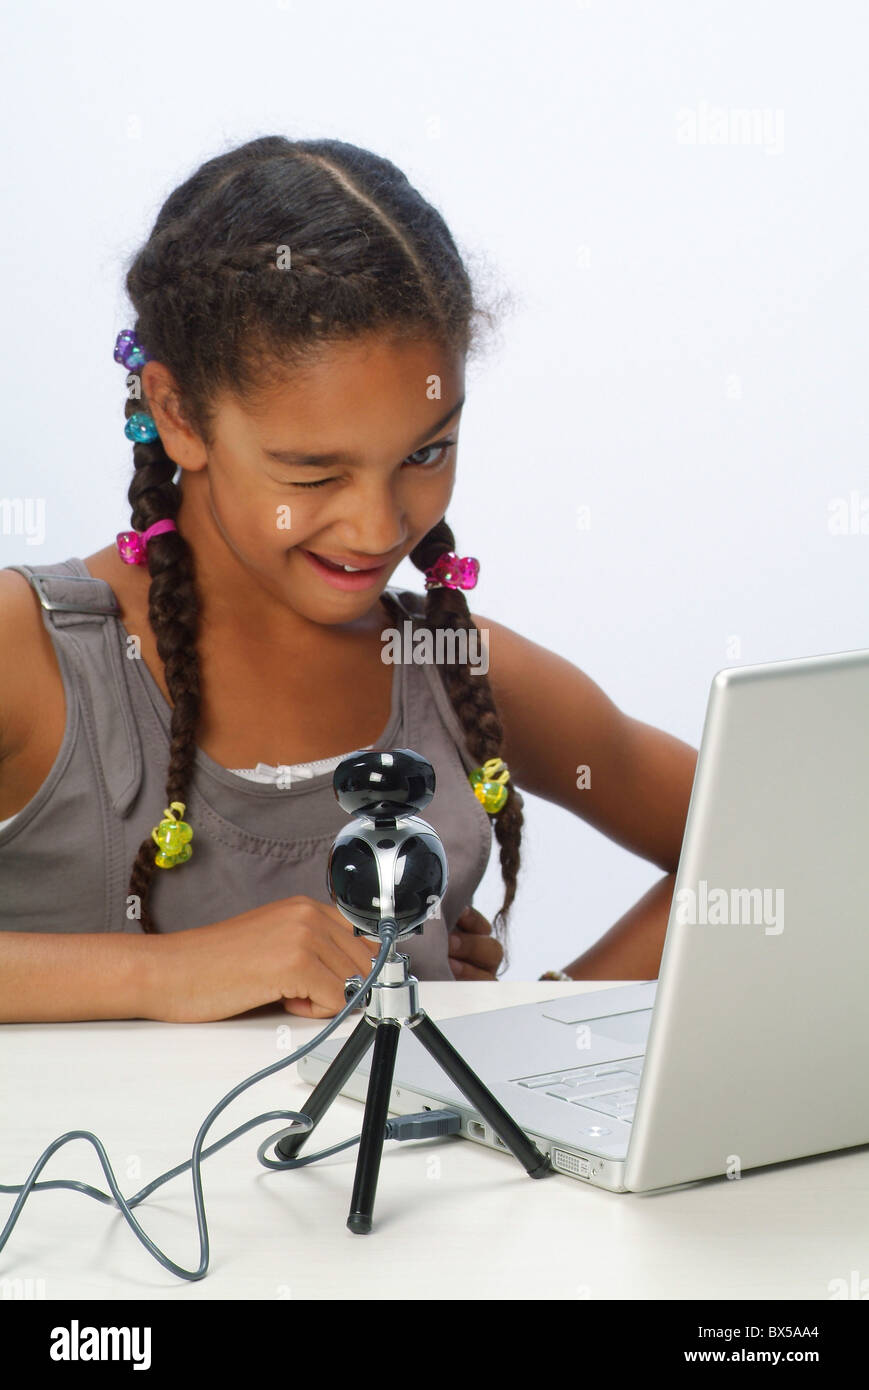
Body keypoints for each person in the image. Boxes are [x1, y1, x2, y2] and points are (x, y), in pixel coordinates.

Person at [0, 135, 697, 1025]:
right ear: (177, 415)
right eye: (314, 473)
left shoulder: (455, 667)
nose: (378, 527)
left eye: (426, 451)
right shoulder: (33, 654)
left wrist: (532, 1026)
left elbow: (770, 839)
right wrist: (162, 975)